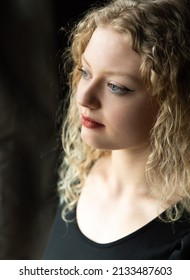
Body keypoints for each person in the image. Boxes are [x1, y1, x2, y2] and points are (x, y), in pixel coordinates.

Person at [43, 0, 190, 260]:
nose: (84, 98)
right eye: (85, 72)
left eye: (116, 87)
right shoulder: (77, 177)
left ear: (173, 102)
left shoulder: (182, 234)